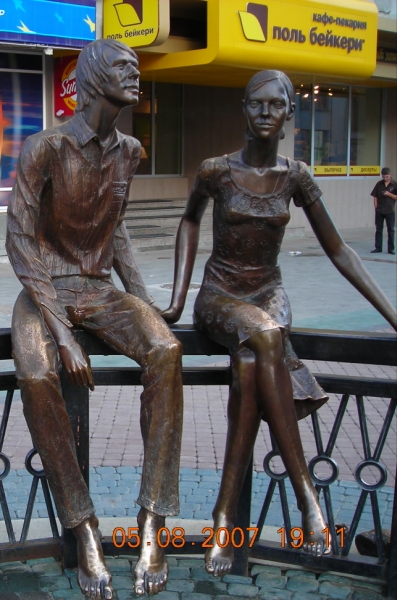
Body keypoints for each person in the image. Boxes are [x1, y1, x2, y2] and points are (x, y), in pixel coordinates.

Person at [160, 70, 397, 577]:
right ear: (244, 109)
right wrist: (178, 300)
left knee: (250, 366)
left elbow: (339, 250)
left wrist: (393, 316)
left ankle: (224, 518)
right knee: (265, 336)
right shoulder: (216, 170)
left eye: (276, 104)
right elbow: (189, 220)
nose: (265, 113)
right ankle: (307, 495)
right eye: (256, 104)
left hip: (270, 294)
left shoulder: (297, 176)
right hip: (221, 296)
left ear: (290, 113)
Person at [6, 39, 184, 599]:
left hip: (99, 289)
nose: (135, 75)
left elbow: (118, 227)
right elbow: (18, 241)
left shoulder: (130, 150)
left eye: (136, 67)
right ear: (92, 79)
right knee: (37, 374)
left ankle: (152, 520)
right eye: (124, 68)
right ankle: (82, 527)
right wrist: (63, 334)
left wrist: (142, 299)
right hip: (44, 290)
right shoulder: (46, 147)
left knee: (166, 350)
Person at [371, 167, 396, 254]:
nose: (385, 178)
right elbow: (375, 196)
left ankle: (391, 249)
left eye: (387, 176)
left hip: (390, 211)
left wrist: (389, 194)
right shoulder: (379, 184)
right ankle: (378, 247)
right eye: (384, 177)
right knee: (378, 229)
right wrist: (376, 207)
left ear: (390, 175)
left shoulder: (394, 184)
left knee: (391, 230)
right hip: (380, 210)